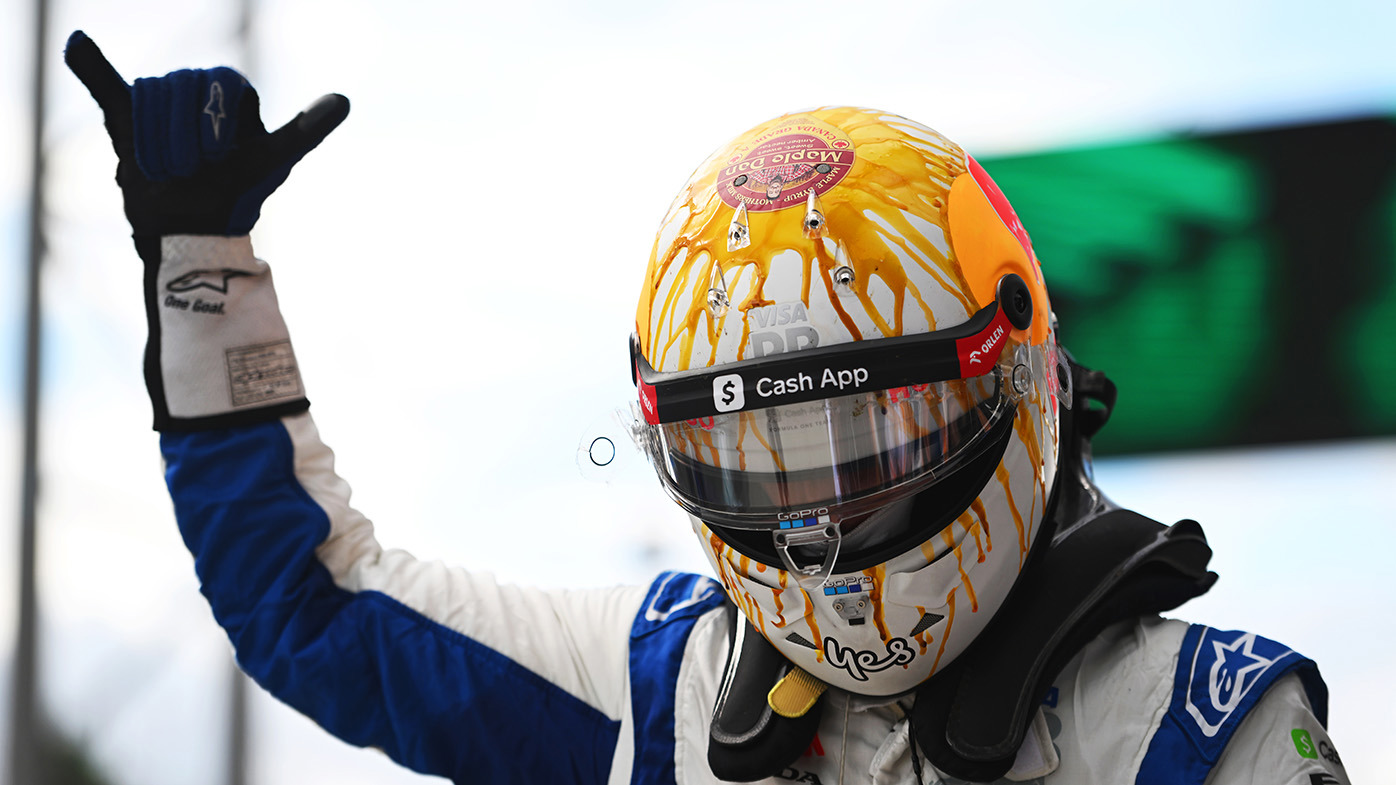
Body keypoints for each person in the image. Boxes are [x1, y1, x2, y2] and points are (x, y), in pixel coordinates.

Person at [64, 29, 1349, 785]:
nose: (820, 521)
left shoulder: (1213, 732)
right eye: (753, 456)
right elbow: (313, 611)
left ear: (1016, 378)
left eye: (870, 438)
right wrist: (200, 267)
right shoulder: (664, 679)